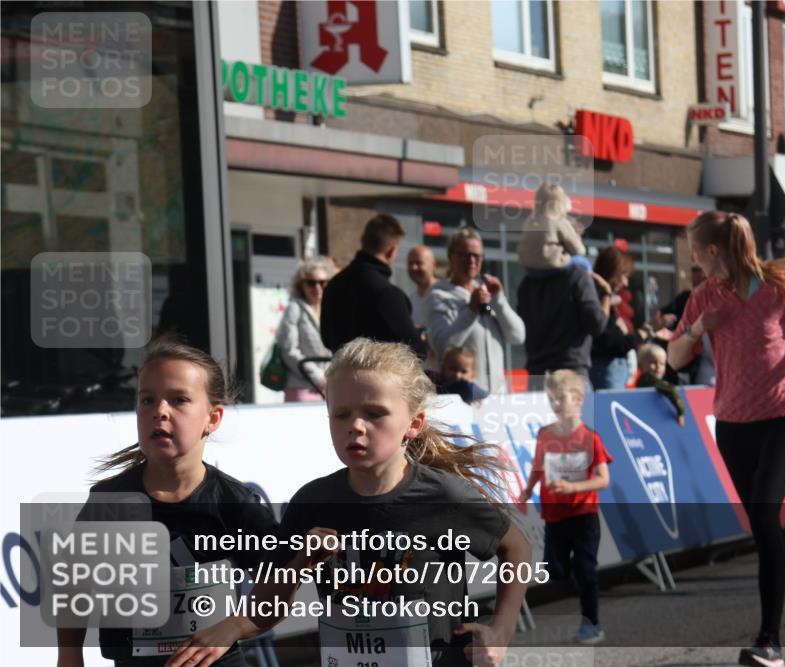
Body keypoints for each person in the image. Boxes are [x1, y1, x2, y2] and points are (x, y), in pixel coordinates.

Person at [168, 338, 532, 667]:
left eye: (374, 413)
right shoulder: (312, 502)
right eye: (342, 414)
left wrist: (501, 629)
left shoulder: (443, 496)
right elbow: (271, 600)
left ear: (414, 423)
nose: (356, 426)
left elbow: (516, 548)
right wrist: (235, 624)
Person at [667, 211, 785, 667]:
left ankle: (769, 640)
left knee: (766, 512)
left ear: (712, 251)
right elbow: (673, 357)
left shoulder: (778, 286)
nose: (692, 258)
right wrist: (695, 329)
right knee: (764, 525)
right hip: (731, 423)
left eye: (694, 249)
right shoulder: (704, 296)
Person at [58, 339, 277, 667]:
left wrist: (233, 627)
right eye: (147, 400)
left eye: (179, 400)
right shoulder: (110, 502)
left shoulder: (235, 504)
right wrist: (69, 654)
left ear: (212, 418)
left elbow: (283, 584)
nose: (159, 411)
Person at [517, 370, 612, 645]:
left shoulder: (590, 438)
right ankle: (580, 577)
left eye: (561, 398)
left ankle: (592, 623)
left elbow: (603, 479)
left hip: (584, 516)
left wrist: (573, 488)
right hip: (554, 516)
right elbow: (537, 467)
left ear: (579, 398)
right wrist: (525, 491)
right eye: (551, 398)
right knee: (554, 570)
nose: (555, 403)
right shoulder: (545, 435)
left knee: (585, 571)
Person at [428, 228, 525, 394]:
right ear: (451, 256)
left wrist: (499, 300)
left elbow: (518, 336)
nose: (471, 261)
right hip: (464, 397)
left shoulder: (488, 292)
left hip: (497, 397)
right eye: (464, 255)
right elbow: (443, 346)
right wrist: (471, 310)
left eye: (477, 256)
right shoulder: (439, 294)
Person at [320, 214, 426, 358]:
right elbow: (414, 350)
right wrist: (418, 337)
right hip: (378, 377)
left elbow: (327, 339)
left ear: (363, 241)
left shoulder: (334, 285)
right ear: (391, 250)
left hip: (340, 375)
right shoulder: (387, 293)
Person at [517, 260, 610, 384]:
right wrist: (606, 294)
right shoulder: (578, 276)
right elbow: (597, 324)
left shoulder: (527, 283)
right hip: (571, 372)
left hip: (537, 373)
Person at [277, 257, 336, 402]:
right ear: (301, 285)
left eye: (323, 282)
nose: (317, 288)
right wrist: (317, 376)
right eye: (311, 283)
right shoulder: (294, 308)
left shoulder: (333, 310)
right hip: (302, 388)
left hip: (331, 387)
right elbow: (289, 350)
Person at [590, 247, 643, 390]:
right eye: (624, 275)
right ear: (613, 272)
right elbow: (611, 341)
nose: (625, 283)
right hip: (605, 372)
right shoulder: (598, 298)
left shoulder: (602, 299)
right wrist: (643, 333)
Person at [517, 183, 590, 273]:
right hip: (550, 266)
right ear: (561, 202)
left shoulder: (529, 222)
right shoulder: (559, 222)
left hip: (529, 268)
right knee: (583, 262)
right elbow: (579, 250)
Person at [634, 344, 685, 427]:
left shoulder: (655, 381)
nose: (658, 367)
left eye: (662, 364)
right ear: (640, 365)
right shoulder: (647, 378)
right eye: (653, 362)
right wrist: (681, 412)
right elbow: (670, 390)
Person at [406, 244, 439, 330]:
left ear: (433, 264)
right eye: (410, 263)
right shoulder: (410, 300)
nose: (414, 267)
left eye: (419, 263)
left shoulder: (444, 294)